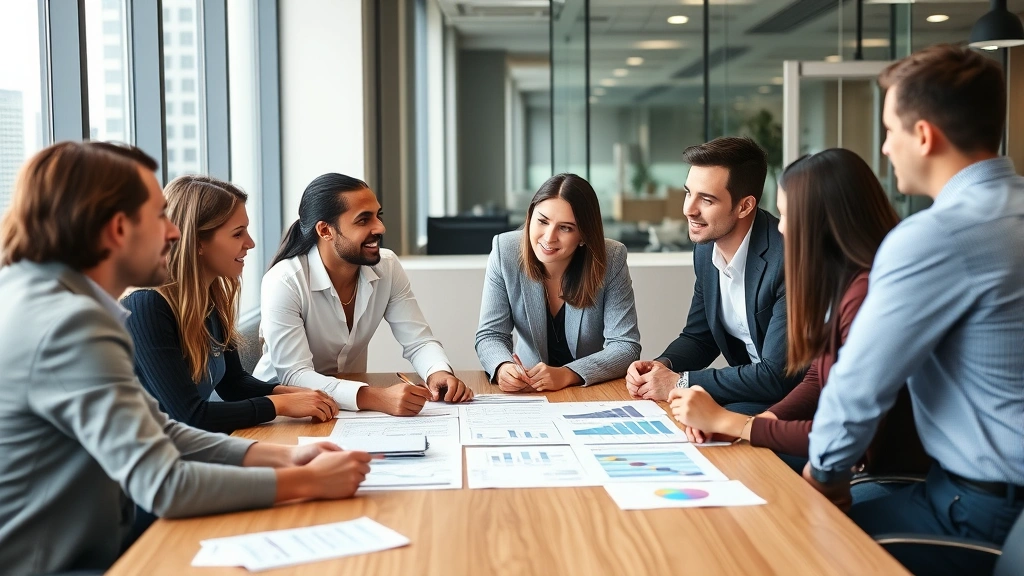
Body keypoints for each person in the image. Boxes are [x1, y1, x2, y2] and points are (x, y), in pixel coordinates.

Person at [0, 142, 371, 575]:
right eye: (159, 216)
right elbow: (166, 484)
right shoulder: (71, 324)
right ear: (118, 229)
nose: (174, 232)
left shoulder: (41, 299)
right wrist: (307, 481)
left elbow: (161, 430)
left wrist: (283, 458)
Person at [802, 45, 1024, 576]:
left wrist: (823, 479)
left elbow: (858, 388)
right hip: (989, 497)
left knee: (787, 534)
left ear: (923, 136)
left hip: (979, 512)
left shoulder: (935, 236)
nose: (885, 148)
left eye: (889, 130)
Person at [667, 149, 928, 489]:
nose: (782, 228)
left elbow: (839, 433)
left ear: (824, 224)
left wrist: (736, 424)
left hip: (884, 475)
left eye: (788, 215)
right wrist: (755, 421)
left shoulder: (868, 295)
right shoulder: (845, 283)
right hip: (850, 457)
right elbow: (818, 377)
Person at [124, 175, 339, 434]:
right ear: (197, 241)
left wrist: (284, 392)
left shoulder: (209, 301)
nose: (250, 243)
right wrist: (279, 404)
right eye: (238, 233)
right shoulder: (146, 307)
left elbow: (233, 383)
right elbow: (190, 415)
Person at [254, 173, 474, 416]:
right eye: (363, 220)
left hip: (345, 411)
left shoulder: (387, 266)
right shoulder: (284, 281)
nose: (380, 228)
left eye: (378, 215)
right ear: (325, 230)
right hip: (283, 412)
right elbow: (294, 376)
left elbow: (418, 340)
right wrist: (376, 397)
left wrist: (438, 371)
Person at [625, 136, 801, 414]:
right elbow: (699, 337)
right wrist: (663, 366)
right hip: (748, 395)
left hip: (790, 403)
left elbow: (777, 376)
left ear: (745, 206)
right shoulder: (706, 252)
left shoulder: (789, 259)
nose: (688, 209)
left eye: (706, 199)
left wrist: (680, 382)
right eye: (688, 193)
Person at [475, 173, 641, 391]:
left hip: (587, 389)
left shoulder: (611, 258)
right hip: (530, 388)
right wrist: (502, 366)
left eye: (566, 228)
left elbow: (626, 346)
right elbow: (491, 335)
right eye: (542, 221)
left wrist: (568, 374)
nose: (549, 237)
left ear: (583, 235)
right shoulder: (504, 251)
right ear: (530, 217)